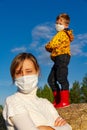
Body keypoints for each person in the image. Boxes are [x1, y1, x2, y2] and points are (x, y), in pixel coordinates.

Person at [3, 52, 72, 130]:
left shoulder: (46, 103)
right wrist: (55, 128)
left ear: (37, 72)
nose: (24, 76)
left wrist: (45, 128)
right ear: (13, 76)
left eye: (28, 71)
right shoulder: (13, 101)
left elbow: (68, 127)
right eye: (18, 72)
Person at [45, 13, 74, 108]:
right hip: (57, 58)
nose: (57, 24)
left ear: (66, 25)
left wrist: (47, 46)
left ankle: (65, 101)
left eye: (60, 22)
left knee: (61, 77)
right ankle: (57, 100)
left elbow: (52, 44)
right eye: (57, 22)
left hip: (62, 56)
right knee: (51, 80)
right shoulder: (59, 34)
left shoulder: (62, 33)